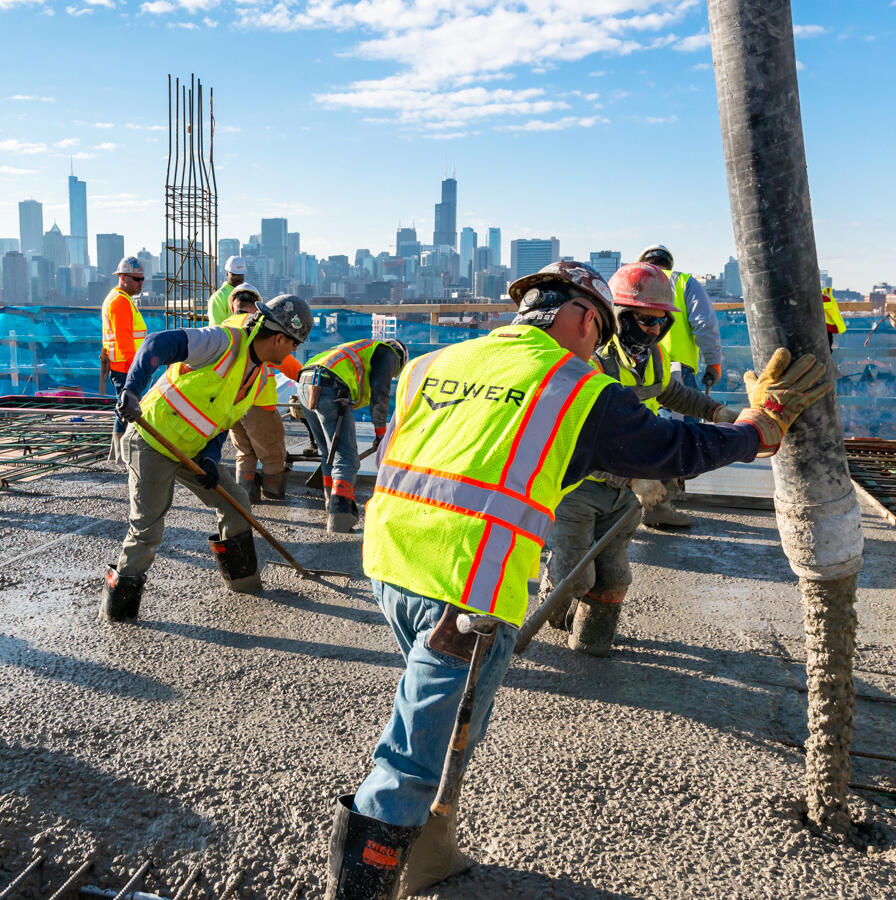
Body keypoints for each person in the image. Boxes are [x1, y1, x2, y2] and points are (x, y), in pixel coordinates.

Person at [330, 261, 831, 898]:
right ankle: (365, 881)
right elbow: (672, 448)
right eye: (603, 330)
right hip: (467, 589)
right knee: (412, 752)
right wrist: (757, 430)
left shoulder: (436, 363)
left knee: (440, 719)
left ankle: (428, 850)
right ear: (585, 317)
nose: (602, 344)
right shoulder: (575, 386)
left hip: (392, 562)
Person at [538, 262, 739, 658]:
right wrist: (636, 476)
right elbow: (574, 435)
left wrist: (717, 413)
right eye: (644, 321)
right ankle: (554, 601)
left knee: (613, 577)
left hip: (621, 497)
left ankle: (591, 645)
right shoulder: (591, 359)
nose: (653, 331)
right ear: (618, 318)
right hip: (579, 489)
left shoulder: (653, 358)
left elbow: (671, 394)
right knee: (573, 577)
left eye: (660, 323)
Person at [101, 294, 313, 620]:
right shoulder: (222, 342)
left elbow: (219, 423)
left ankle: (244, 584)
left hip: (192, 449)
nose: (292, 352)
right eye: (294, 344)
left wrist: (212, 459)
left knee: (236, 502)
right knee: (148, 530)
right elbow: (157, 344)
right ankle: (118, 611)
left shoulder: (256, 377)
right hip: (151, 442)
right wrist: (131, 390)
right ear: (279, 337)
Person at [636, 243, 725, 528]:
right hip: (674, 372)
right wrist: (714, 362)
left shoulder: (634, 282)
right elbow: (704, 324)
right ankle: (659, 507)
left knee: (638, 432)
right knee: (673, 437)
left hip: (634, 369)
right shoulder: (683, 282)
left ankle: (637, 504)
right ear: (669, 263)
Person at [298, 336, 404, 532]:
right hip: (330, 386)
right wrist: (381, 434)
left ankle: (331, 504)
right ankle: (340, 518)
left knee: (329, 452)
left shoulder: (356, 347)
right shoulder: (389, 353)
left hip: (306, 382)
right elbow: (380, 393)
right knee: (346, 458)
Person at [221, 285, 304, 502]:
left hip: (230, 405)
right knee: (273, 455)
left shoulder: (223, 327)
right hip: (260, 404)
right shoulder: (260, 326)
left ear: (232, 306)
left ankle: (245, 496)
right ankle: (274, 495)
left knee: (244, 453)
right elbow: (288, 364)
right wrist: (307, 379)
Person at [102, 256, 149, 461]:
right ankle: (122, 453)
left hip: (124, 365)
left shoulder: (120, 299)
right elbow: (123, 340)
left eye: (142, 279)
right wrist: (134, 370)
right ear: (122, 278)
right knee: (126, 407)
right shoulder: (120, 302)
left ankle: (119, 453)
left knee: (123, 407)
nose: (140, 283)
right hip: (125, 366)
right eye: (136, 279)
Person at [208, 255, 248, 325]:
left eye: (240, 275)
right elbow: (216, 328)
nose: (238, 278)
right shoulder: (218, 297)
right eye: (234, 275)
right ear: (227, 273)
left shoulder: (248, 293)